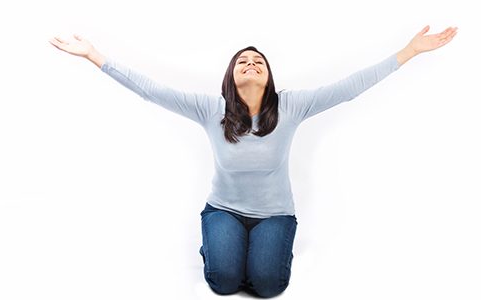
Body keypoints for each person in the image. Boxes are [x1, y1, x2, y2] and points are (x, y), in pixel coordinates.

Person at [48, 25, 457, 298]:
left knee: (268, 287)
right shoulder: (210, 109)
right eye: (243, 60)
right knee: (223, 284)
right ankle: (218, 244)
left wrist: (409, 51)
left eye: (258, 61)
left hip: (275, 214)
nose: (251, 63)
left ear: (268, 77)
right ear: (231, 76)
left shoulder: (293, 106)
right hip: (224, 210)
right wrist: (94, 55)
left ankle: (258, 251)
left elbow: (349, 88)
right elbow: (150, 90)